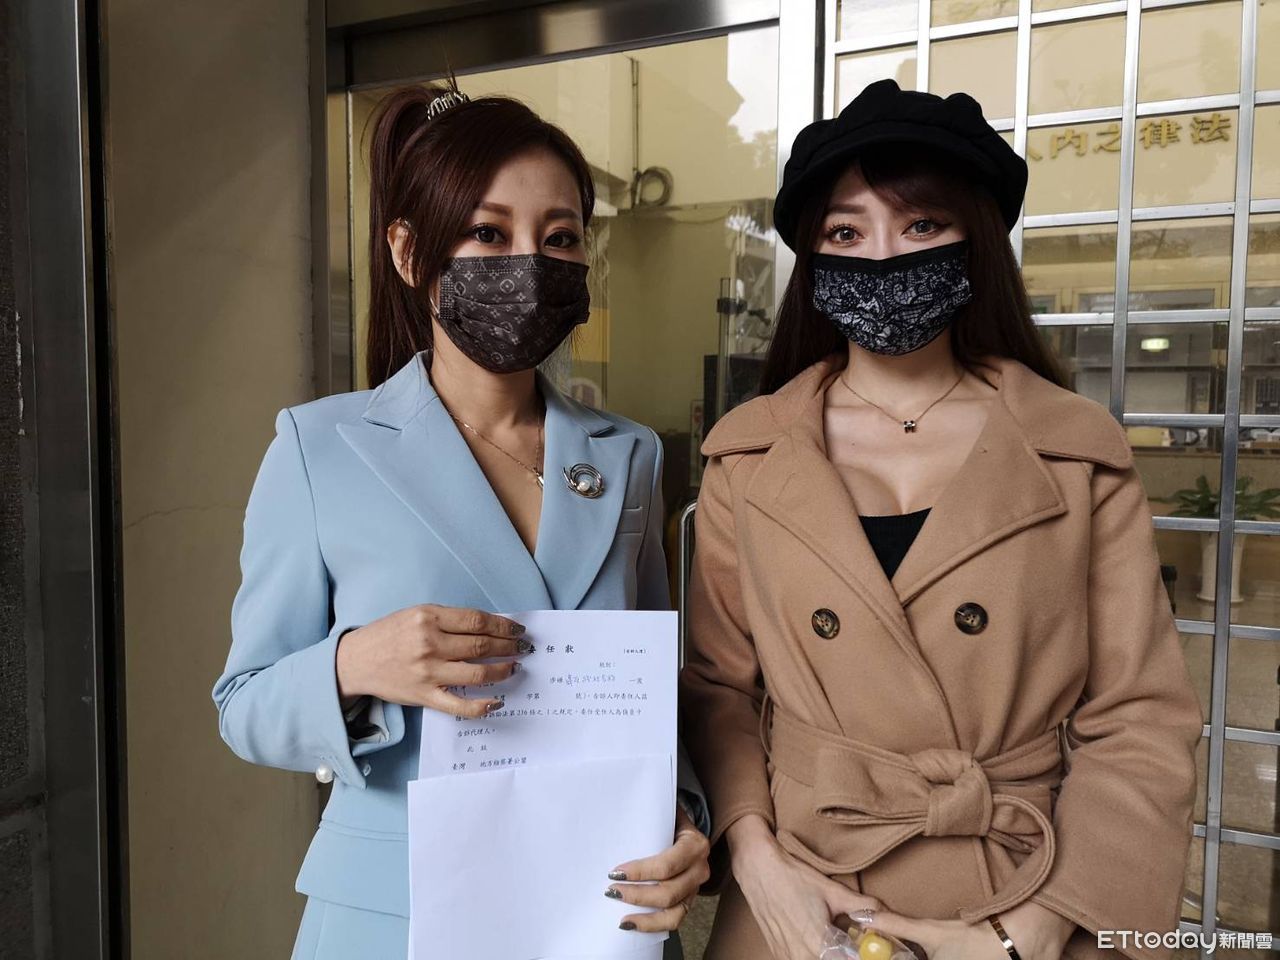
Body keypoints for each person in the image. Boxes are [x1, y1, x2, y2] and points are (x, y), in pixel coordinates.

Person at [680, 79, 1202, 960]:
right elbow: (718, 688)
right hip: (803, 898)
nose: (883, 257)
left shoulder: (1074, 450)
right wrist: (758, 860)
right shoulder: (748, 455)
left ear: (977, 243)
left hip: (1024, 889)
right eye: (846, 233)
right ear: (813, 259)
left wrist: (1034, 929)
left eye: (921, 225)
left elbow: (1140, 716)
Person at [213, 82, 710, 959]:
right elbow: (244, 704)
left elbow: (648, 691)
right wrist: (357, 663)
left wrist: (682, 817)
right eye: (488, 233)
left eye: (559, 238)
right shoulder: (319, 448)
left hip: (601, 906)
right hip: (397, 915)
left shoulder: (629, 454)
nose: (529, 262)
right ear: (409, 252)